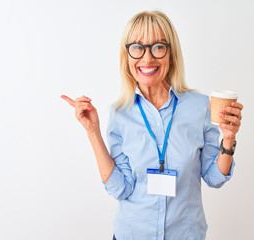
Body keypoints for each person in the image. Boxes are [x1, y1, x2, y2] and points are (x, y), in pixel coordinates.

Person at [61, 10, 243, 240]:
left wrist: (228, 140)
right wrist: (93, 132)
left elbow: (215, 178)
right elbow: (120, 188)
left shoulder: (199, 107)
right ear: (127, 56)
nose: (147, 59)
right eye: (137, 47)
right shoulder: (120, 114)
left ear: (171, 54)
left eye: (158, 47)